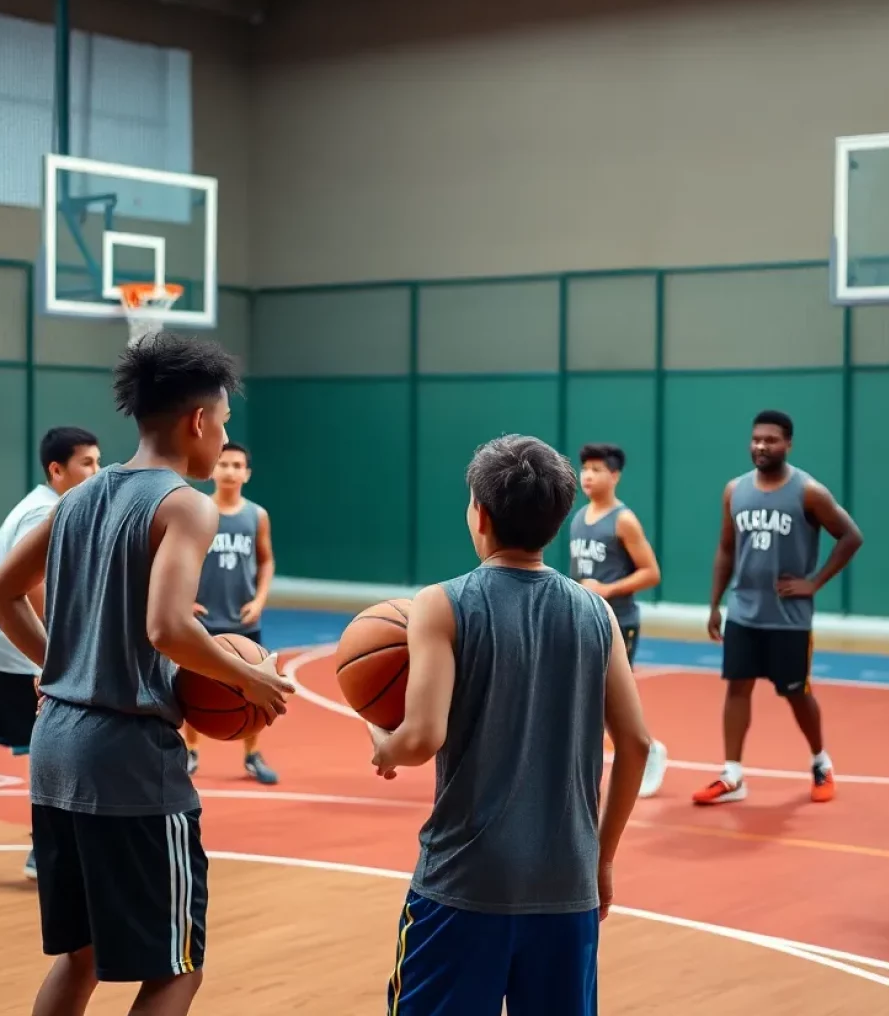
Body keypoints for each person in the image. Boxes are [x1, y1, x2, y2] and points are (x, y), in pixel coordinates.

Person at [0, 332, 294, 1016]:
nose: (225, 437)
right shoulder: (186, 504)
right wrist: (249, 681)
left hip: (56, 752)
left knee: (81, 958)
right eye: (226, 422)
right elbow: (169, 628)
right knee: (178, 968)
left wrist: (63, 666)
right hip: (127, 764)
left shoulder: (78, 499)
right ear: (200, 421)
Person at [368, 434, 651, 1016]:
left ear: (480, 513)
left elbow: (421, 737)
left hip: (465, 882)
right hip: (566, 882)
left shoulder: (441, 603)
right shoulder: (596, 611)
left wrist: (384, 744)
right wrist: (600, 858)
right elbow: (637, 744)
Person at [0, 427, 101, 880]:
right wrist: (53, 655)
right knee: (52, 750)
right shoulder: (43, 512)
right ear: (57, 470)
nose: (96, 471)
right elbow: (34, 590)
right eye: (87, 463)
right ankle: (44, 851)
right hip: (14, 651)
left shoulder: (42, 506)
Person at [694, 410, 863, 806]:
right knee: (737, 688)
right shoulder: (734, 490)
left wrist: (814, 582)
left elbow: (851, 536)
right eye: (756, 439)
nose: (760, 446)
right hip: (744, 611)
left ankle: (821, 761)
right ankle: (732, 774)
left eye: (770, 440)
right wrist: (715, 603)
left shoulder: (809, 492)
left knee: (796, 692)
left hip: (789, 617)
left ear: (788, 444)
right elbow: (725, 548)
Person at [569, 442, 668, 798]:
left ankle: (648, 749)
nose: (588, 476)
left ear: (615, 475)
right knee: (585, 696)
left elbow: (651, 572)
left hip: (619, 621)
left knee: (610, 698)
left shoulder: (623, 520)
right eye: (584, 469)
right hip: (584, 619)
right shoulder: (579, 518)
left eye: (596, 469)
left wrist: (608, 589)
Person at [185, 441, 278, 784]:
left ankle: (252, 754)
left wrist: (260, 599)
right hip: (202, 619)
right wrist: (183, 601)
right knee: (193, 689)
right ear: (212, 469)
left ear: (247, 473)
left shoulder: (257, 515)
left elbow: (266, 560)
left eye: (237, 465)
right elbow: (179, 560)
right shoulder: (196, 510)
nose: (230, 471)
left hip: (243, 620)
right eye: (223, 464)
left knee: (254, 689)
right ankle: (190, 750)